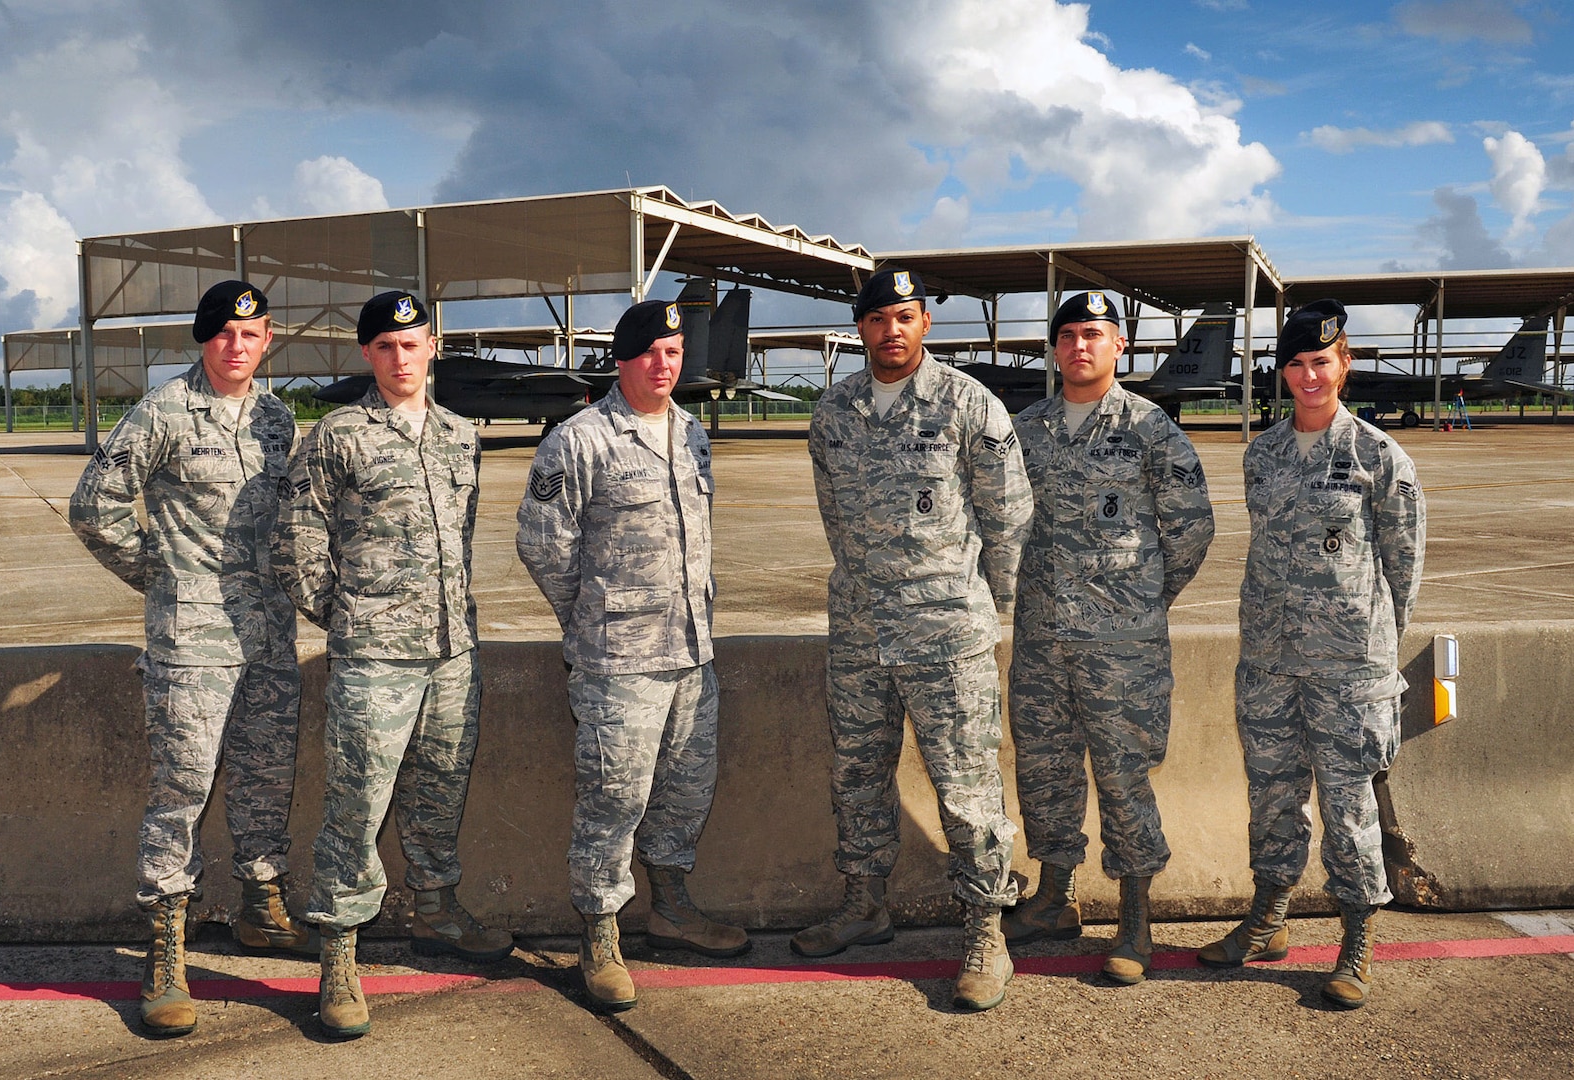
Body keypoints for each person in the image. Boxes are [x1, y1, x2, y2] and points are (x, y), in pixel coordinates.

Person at [68, 280, 309, 1038]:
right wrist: (163, 574)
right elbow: (93, 507)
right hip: (192, 639)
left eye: (252, 334)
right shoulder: (164, 412)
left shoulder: (277, 419)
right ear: (203, 340)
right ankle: (166, 943)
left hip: (267, 634)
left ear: (268, 338)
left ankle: (260, 901)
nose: (238, 348)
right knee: (183, 788)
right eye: (223, 335)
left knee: (268, 774)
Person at [273, 290, 511, 1039]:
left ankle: (435, 910)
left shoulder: (459, 434)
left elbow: (461, 541)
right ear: (367, 354)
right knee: (356, 805)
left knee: (441, 790)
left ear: (432, 345)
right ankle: (339, 951)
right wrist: (350, 616)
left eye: (412, 344)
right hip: (375, 656)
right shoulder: (337, 435)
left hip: (451, 654)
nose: (401, 358)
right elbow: (297, 543)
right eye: (385, 346)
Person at [795, 268, 1033, 1012]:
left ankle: (986, 930)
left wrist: (977, 609)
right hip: (860, 630)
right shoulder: (832, 411)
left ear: (924, 322)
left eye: (904, 316)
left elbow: (1010, 523)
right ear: (860, 329)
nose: (891, 331)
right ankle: (864, 903)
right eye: (877, 319)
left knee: (966, 790)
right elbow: (836, 517)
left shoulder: (968, 403)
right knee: (857, 775)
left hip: (945, 634)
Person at [516, 298, 749, 1013]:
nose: (663, 363)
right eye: (649, 351)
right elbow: (542, 543)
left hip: (689, 653)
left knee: (683, 792)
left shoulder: (691, 435)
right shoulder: (580, 440)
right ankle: (600, 933)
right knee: (613, 802)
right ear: (622, 359)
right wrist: (592, 618)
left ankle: (672, 910)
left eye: (674, 352)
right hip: (619, 663)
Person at [1196, 299, 1425, 1010]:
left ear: (1344, 363)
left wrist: (1373, 659)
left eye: (1320, 361)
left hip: (1347, 669)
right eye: (1295, 364)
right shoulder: (1260, 456)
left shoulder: (1379, 458)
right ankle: (1268, 920)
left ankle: (1356, 940)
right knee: (1271, 799)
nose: (1307, 375)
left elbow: (1403, 573)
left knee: (1349, 805)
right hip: (1268, 661)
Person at [1005, 292, 1214, 986]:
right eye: (1066, 335)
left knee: (1124, 781)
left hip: (1122, 650)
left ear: (1120, 345)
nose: (1079, 347)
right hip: (1041, 641)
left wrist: (1140, 603)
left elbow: (1191, 529)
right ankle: (1054, 898)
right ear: (1054, 348)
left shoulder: (1152, 430)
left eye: (1093, 334)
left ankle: (1134, 920)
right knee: (1044, 771)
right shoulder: (1025, 430)